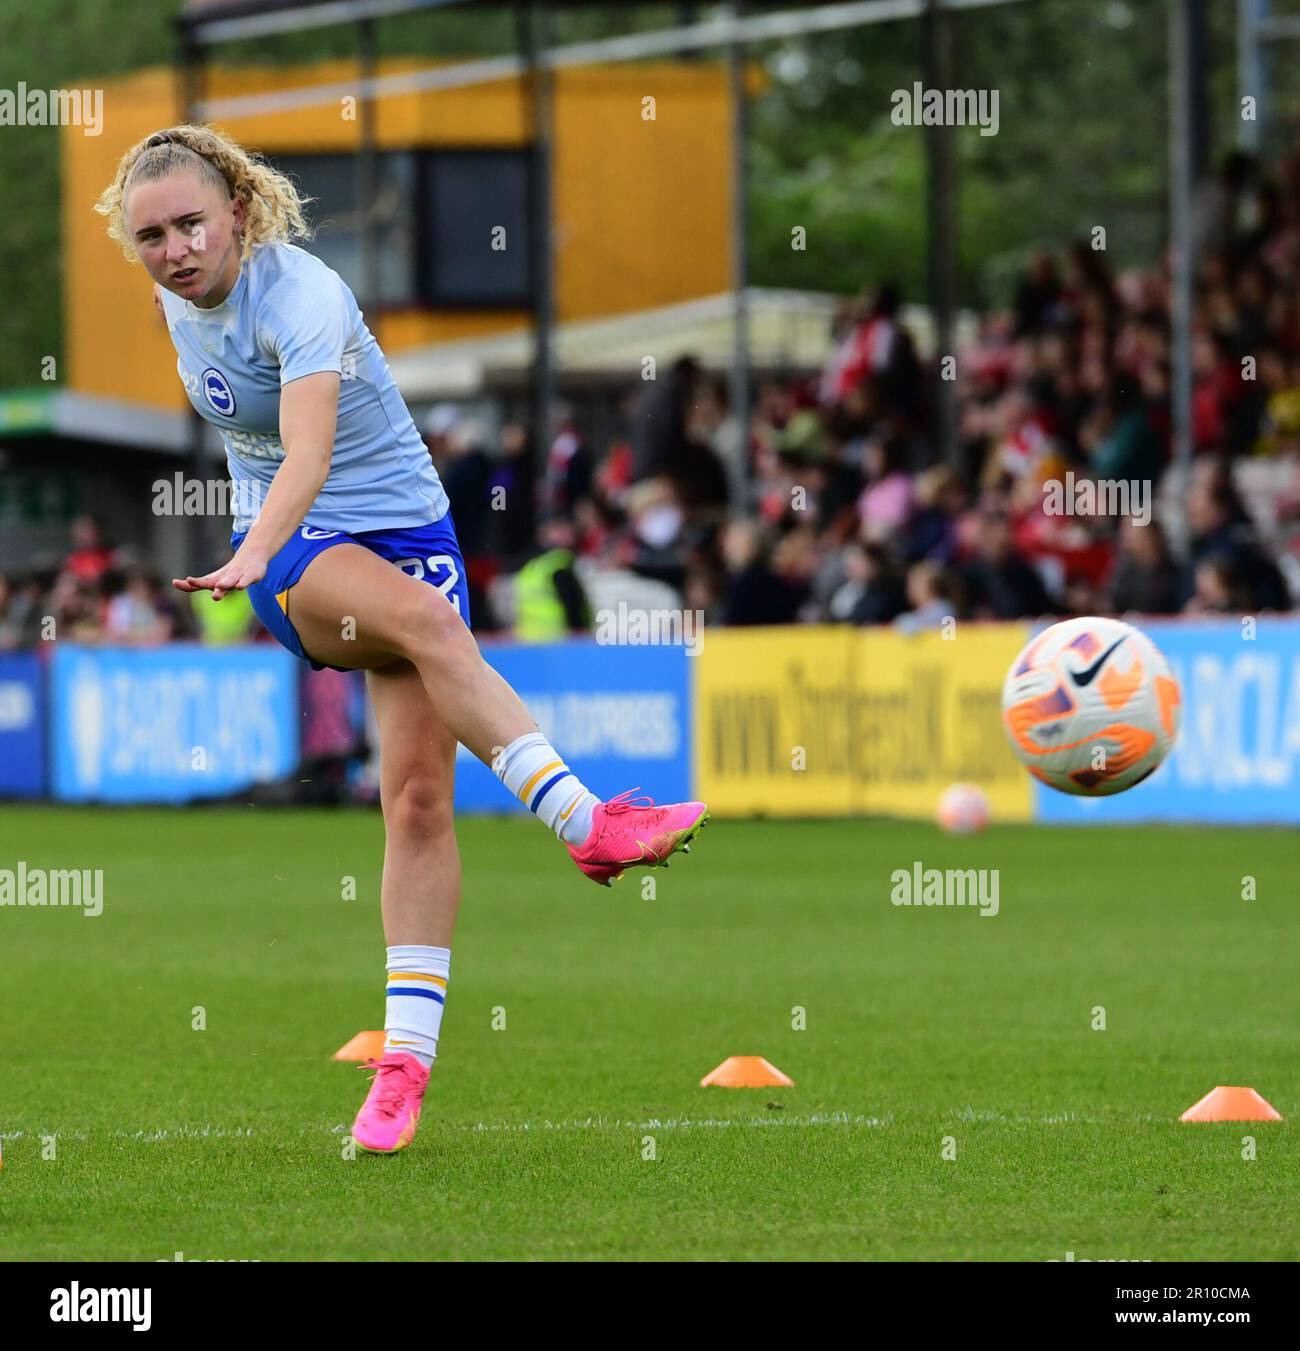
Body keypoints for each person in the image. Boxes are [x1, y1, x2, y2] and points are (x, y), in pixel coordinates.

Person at [95, 125, 708, 1156]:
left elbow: (312, 444)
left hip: (402, 534)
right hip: (299, 550)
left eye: (191, 223)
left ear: (237, 213)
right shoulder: (173, 299)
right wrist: (260, 551)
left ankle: (401, 1073)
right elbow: (294, 472)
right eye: (150, 235)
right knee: (426, 628)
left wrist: (255, 539)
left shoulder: (304, 296)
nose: (174, 250)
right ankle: (586, 824)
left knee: (420, 803)